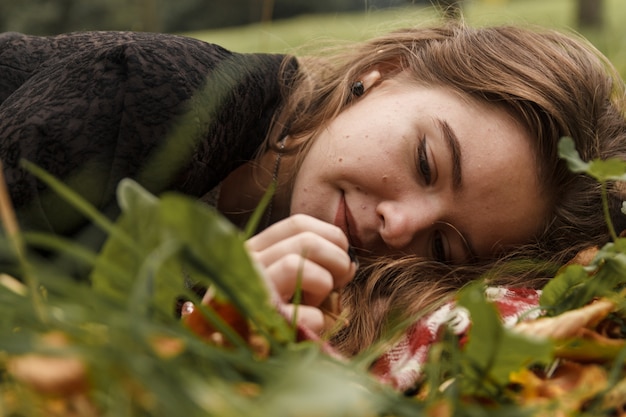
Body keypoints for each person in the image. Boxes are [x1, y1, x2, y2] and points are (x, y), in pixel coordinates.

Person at [0, 23, 625, 349]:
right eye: (428, 163)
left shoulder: (340, 292)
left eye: (444, 247)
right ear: (385, 75)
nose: (400, 227)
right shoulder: (141, 95)